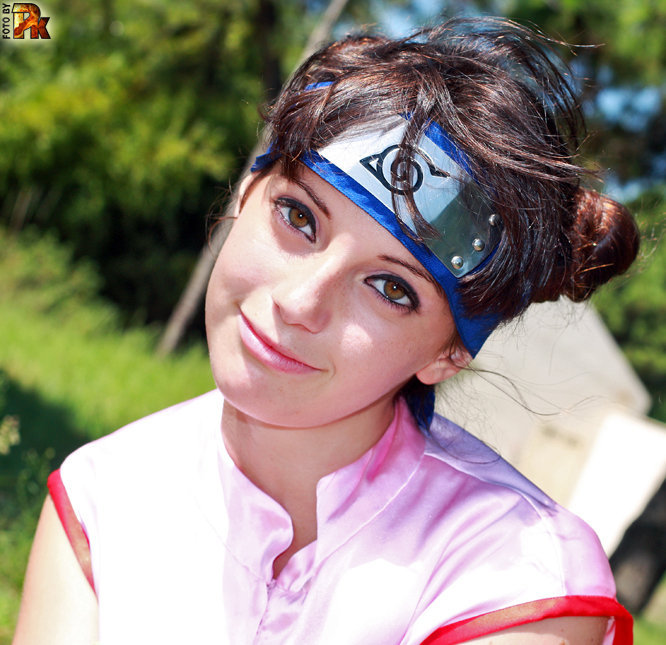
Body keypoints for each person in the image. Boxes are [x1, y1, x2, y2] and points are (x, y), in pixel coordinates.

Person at [13, 16, 639, 645]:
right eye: (298, 216)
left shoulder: (518, 576)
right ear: (247, 192)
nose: (299, 302)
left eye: (390, 288)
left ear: (448, 353)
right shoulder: (103, 493)